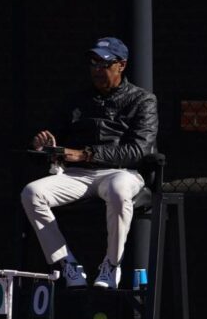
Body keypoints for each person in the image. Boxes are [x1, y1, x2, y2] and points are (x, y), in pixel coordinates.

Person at [20, 37, 158, 290]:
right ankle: (67, 265)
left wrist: (86, 154)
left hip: (121, 172)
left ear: (121, 65)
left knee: (118, 190)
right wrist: (42, 146)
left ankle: (111, 265)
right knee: (32, 192)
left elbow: (138, 150)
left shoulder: (143, 100)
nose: (97, 69)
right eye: (93, 63)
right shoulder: (76, 99)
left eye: (104, 63)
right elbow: (56, 140)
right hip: (77, 174)